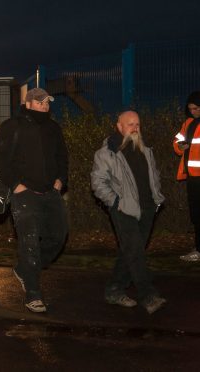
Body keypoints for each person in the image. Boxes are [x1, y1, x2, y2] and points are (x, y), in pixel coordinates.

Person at [0, 88, 68, 313]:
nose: (45, 105)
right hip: (24, 194)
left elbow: (62, 156)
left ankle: (25, 269)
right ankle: (33, 294)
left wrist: (59, 181)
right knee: (29, 243)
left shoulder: (53, 127)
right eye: (40, 102)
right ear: (28, 104)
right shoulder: (12, 126)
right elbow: (1, 159)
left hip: (50, 192)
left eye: (47, 102)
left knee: (59, 236)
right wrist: (16, 185)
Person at [91, 110, 167, 314]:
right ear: (119, 126)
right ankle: (148, 295)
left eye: (137, 124)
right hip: (123, 209)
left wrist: (156, 196)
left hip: (148, 208)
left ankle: (114, 290)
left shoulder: (145, 149)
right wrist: (116, 202)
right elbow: (98, 183)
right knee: (135, 251)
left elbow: (154, 175)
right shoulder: (107, 153)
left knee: (131, 252)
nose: (135, 128)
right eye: (130, 124)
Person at [174, 91, 200, 261]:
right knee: (196, 215)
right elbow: (177, 141)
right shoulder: (188, 123)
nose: (194, 111)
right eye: (191, 109)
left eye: (197, 108)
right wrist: (180, 147)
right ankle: (198, 249)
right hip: (192, 177)